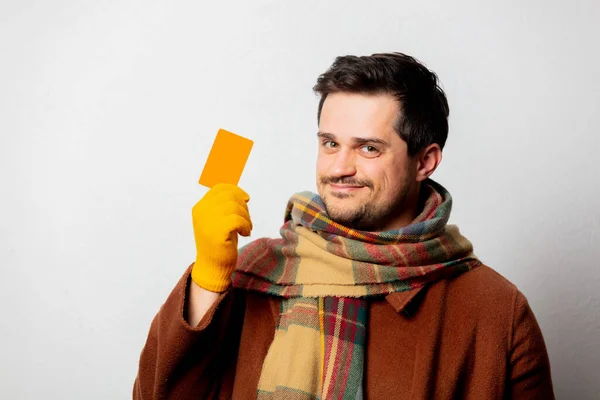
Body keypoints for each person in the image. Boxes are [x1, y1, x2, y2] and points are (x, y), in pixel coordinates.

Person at [133, 52, 554, 399]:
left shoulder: (496, 310)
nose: (338, 168)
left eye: (368, 148)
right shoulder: (255, 271)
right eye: (329, 143)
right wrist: (208, 281)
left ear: (424, 161)